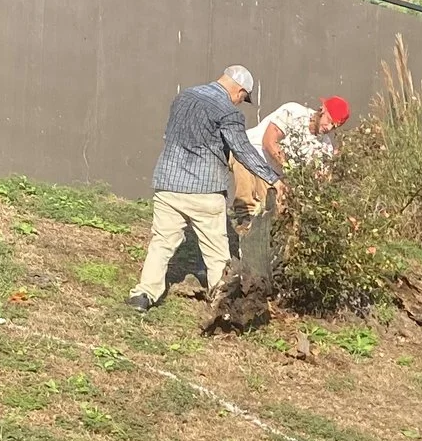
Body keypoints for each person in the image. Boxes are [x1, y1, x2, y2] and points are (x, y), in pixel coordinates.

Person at [130, 65, 284, 312]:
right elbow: (242, 150)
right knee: (216, 254)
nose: (240, 103)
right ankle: (222, 304)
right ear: (240, 91)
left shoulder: (184, 97)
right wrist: (272, 179)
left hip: (168, 184)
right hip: (204, 190)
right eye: (243, 98)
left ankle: (143, 295)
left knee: (161, 242)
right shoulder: (228, 112)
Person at [229, 96, 349, 224]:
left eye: (334, 126)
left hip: (273, 176)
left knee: (278, 212)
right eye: (329, 121)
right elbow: (269, 142)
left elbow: (319, 182)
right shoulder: (293, 112)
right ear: (322, 110)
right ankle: (243, 219)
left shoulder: (325, 147)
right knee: (251, 202)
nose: (329, 128)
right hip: (246, 150)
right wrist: (289, 169)